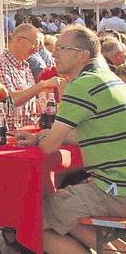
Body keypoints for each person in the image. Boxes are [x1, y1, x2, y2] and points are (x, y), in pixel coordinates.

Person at [16, 26, 126, 254]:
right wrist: (41, 136)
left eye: (62, 48)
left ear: (82, 55)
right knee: (61, 210)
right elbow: (90, 134)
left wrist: (43, 138)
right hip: (114, 185)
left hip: (115, 191)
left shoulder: (83, 84)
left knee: (33, 217)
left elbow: (49, 147)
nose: (54, 54)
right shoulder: (110, 78)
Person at [0, 24, 60, 106]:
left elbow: (28, 102)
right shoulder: (1, 65)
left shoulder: (25, 66)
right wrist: (42, 85)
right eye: (34, 44)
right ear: (21, 40)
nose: (36, 49)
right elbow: (10, 100)